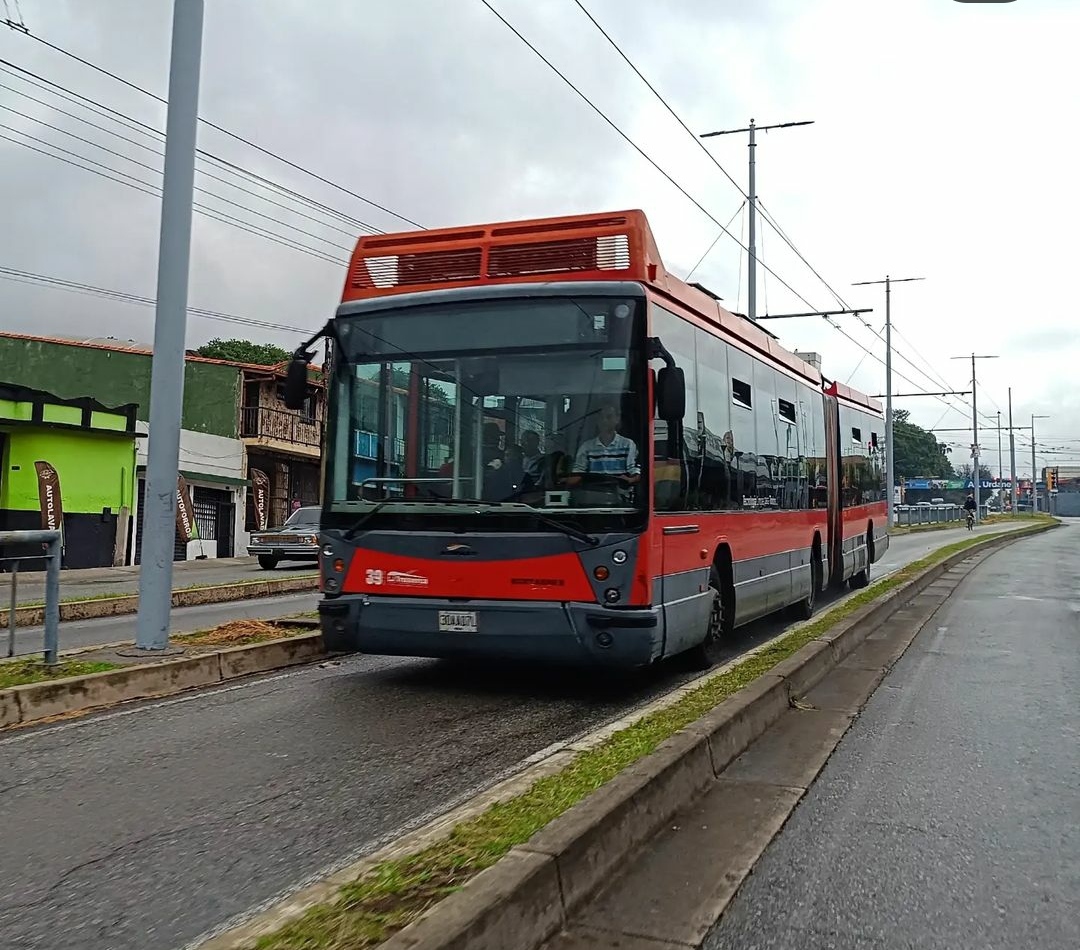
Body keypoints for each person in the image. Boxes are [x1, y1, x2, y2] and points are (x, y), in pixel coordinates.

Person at [565, 404, 640, 486]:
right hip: (593, 494)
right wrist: (563, 481)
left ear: (617, 419)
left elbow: (635, 473)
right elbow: (578, 473)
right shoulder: (586, 447)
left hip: (620, 495)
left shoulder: (628, 445)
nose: (604, 420)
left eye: (609, 417)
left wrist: (630, 480)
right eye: (601, 417)